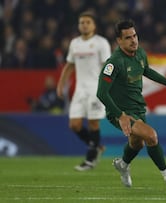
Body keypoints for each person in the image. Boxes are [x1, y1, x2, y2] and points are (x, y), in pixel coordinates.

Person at [96, 19, 166, 189]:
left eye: (134, 36)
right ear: (119, 41)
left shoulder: (140, 53)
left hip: (138, 109)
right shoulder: (114, 63)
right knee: (151, 136)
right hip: (120, 112)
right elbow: (101, 93)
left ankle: (123, 165)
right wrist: (120, 115)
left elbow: (147, 70)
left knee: (137, 143)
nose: (133, 40)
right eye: (127, 38)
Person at [56, 12, 112, 171]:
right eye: (81, 22)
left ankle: (90, 160)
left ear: (94, 25)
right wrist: (61, 84)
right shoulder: (75, 43)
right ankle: (97, 146)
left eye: (88, 22)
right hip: (80, 90)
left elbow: (108, 66)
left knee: (94, 123)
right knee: (74, 125)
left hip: (96, 88)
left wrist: (108, 87)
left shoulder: (101, 43)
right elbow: (69, 65)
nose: (84, 25)